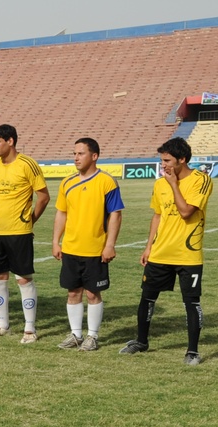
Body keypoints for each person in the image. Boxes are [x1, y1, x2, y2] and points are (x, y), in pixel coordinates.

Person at [120, 137, 213, 364]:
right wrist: (148, 246)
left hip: (187, 254)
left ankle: (192, 351)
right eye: (162, 160)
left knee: (191, 302)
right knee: (147, 298)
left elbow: (186, 212)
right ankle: (141, 341)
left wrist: (173, 184)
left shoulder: (201, 180)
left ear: (182, 159)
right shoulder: (159, 183)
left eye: (168, 160)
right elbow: (158, 215)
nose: (163, 165)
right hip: (160, 252)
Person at [52, 138, 123, 351]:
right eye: (74, 153)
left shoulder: (107, 182)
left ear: (94, 156)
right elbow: (61, 213)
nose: (75, 158)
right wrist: (56, 241)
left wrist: (109, 244)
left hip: (95, 249)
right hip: (71, 248)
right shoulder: (67, 182)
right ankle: (75, 334)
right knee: (73, 292)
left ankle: (92, 336)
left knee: (92, 293)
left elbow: (116, 215)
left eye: (81, 153)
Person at [0, 124, 50, 343]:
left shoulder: (27, 164)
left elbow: (43, 196)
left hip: (19, 232)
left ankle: (30, 330)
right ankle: (3, 326)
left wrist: (30, 220)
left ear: (10, 141)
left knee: (23, 279)